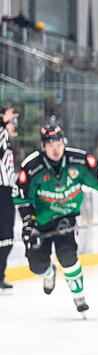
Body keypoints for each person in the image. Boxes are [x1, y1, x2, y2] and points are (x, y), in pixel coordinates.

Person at [14, 124, 98, 316]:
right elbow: (23, 199)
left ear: (64, 143)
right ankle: (48, 273)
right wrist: (29, 224)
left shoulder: (78, 161)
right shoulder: (32, 167)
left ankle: (78, 296)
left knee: (68, 256)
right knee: (37, 265)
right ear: (43, 146)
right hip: (40, 221)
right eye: (50, 144)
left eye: (58, 143)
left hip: (67, 217)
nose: (55, 148)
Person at [0, 107, 19, 294]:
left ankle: (0, 275)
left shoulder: (7, 146)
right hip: (1, 193)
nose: (14, 126)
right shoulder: (2, 142)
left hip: (6, 193)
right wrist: (3, 123)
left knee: (7, 239)